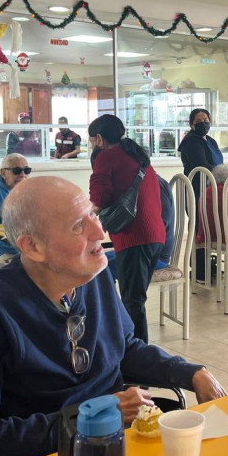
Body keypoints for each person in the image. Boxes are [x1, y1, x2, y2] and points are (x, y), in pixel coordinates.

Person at [0, 176, 226, 456]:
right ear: (33, 247)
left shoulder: (91, 274)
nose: (101, 231)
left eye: (93, 215)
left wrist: (190, 372)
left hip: (111, 451)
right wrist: (92, 415)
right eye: (78, 226)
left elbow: (122, 348)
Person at [88, 114, 164, 343]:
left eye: (91, 140)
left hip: (134, 236)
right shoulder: (136, 154)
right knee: (135, 299)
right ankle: (132, 347)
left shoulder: (107, 157)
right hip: (154, 235)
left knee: (133, 301)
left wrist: (83, 216)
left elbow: (100, 197)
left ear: (99, 138)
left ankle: (136, 354)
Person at [178, 108, 224, 282]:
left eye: (206, 119)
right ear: (191, 124)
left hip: (211, 189)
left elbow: (217, 162)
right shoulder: (191, 142)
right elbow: (203, 165)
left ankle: (208, 265)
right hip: (196, 189)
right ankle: (197, 268)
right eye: (198, 121)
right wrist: (223, 173)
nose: (203, 123)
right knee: (198, 227)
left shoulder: (210, 140)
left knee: (209, 226)